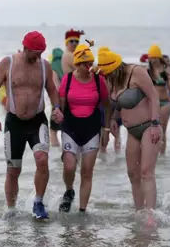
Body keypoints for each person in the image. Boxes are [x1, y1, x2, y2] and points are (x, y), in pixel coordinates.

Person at [0, 31, 63, 220]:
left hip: (37, 121)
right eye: (35, 53)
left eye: (41, 53)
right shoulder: (9, 63)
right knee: (13, 169)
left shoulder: (44, 66)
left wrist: (58, 108)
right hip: (14, 122)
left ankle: (38, 202)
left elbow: (52, 90)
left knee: (42, 160)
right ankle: (11, 208)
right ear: (25, 47)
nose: (37, 57)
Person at [98, 47, 162, 225]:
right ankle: (139, 212)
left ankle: (151, 215)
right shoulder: (110, 79)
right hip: (131, 131)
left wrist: (156, 124)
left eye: (107, 72)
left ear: (117, 67)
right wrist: (111, 120)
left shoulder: (137, 72)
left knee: (146, 172)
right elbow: (115, 104)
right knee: (132, 173)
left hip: (150, 126)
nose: (105, 76)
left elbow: (154, 97)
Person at [58, 43, 109, 213]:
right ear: (78, 64)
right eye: (86, 63)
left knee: (87, 171)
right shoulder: (68, 79)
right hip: (70, 127)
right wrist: (56, 113)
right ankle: (69, 189)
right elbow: (60, 104)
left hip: (91, 129)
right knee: (69, 166)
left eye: (91, 62)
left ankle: (82, 211)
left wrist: (107, 129)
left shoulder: (98, 79)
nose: (90, 66)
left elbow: (108, 105)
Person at [146, 44, 170, 155]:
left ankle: (162, 156)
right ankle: (152, 153)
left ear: (159, 57)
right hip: (151, 104)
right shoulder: (147, 71)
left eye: (154, 57)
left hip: (164, 103)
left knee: (162, 130)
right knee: (151, 130)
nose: (152, 60)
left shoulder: (165, 70)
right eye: (150, 57)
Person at [49, 47, 64, 147]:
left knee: (53, 129)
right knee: (66, 128)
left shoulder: (53, 67)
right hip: (69, 100)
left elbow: (56, 87)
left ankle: (56, 149)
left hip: (58, 102)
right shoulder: (66, 65)